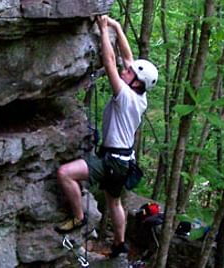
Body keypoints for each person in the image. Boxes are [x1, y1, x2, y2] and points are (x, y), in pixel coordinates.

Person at [55, 15, 158, 258]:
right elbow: (128, 57)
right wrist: (118, 27)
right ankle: (119, 244)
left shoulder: (124, 96)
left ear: (136, 83)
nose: (125, 70)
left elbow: (110, 61)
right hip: (124, 161)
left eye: (129, 73)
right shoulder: (140, 96)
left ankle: (79, 217)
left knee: (65, 174)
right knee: (114, 202)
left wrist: (103, 30)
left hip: (111, 160)